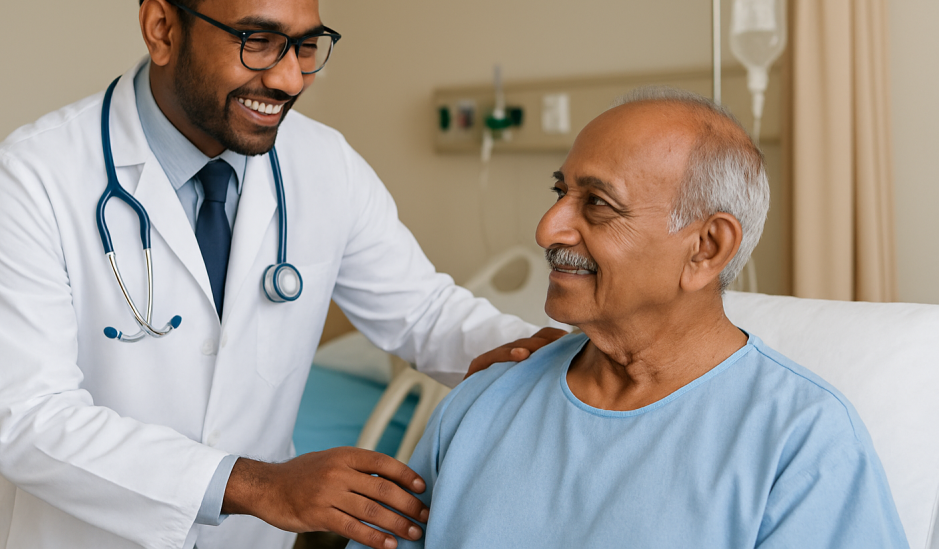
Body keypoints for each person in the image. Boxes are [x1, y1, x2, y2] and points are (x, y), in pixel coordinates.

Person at [0, 0, 563, 549]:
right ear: (161, 28)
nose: (289, 78)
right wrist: (263, 485)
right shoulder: (30, 179)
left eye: (307, 44)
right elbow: (26, 419)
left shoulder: (323, 164)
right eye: (259, 39)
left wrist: (553, 356)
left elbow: (423, 313)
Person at [349, 87, 910, 549]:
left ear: (706, 248)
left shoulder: (802, 442)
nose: (548, 229)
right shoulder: (482, 403)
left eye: (597, 203)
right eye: (560, 191)